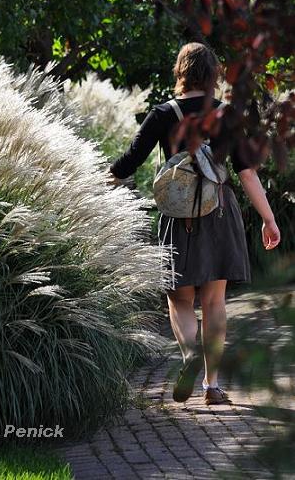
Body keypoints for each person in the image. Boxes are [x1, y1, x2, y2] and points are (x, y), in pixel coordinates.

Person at [108, 42, 281, 405]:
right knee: (215, 301)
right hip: (219, 211)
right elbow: (247, 173)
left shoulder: (162, 114)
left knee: (180, 299)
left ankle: (188, 357)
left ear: (181, 72)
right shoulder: (226, 115)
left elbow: (127, 165)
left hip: (178, 216)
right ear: (215, 74)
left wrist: (94, 182)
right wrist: (269, 219)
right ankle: (212, 386)